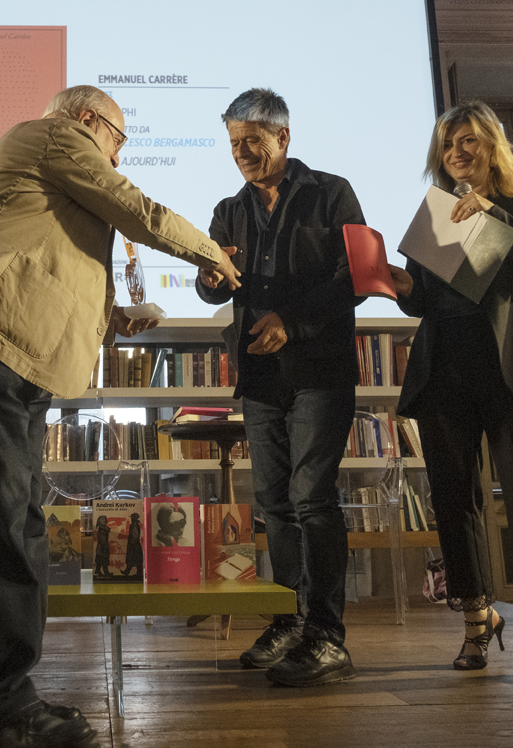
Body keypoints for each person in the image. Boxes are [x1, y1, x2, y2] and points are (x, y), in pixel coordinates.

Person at [0, 84, 240, 748]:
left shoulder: (42, 170)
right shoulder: (53, 136)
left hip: (5, 349)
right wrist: (213, 254)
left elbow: (38, 260)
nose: (119, 155)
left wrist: (111, 319)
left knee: (14, 522)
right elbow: (137, 209)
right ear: (88, 120)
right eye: (119, 140)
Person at [391, 100, 513, 685]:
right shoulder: (438, 212)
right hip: (445, 374)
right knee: (453, 502)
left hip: (512, 374)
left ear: (492, 145)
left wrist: (492, 214)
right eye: (448, 146)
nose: (457, 153)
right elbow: (423, 298)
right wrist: (397, 284)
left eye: (468, 141)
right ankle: (476, 618)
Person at [195, 88, 364, 687]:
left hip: (320, 370)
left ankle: (327, 635)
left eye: (253, 142)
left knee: (313, 499)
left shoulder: (331, 193)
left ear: (283, 138)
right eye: (234, 144)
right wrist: (212, 279)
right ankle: (290, 621)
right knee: (274, 505)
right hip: (261, 379)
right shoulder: (228, 209)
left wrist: (293, 324)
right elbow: (212, 289)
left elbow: (357, 277)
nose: (242, 153)